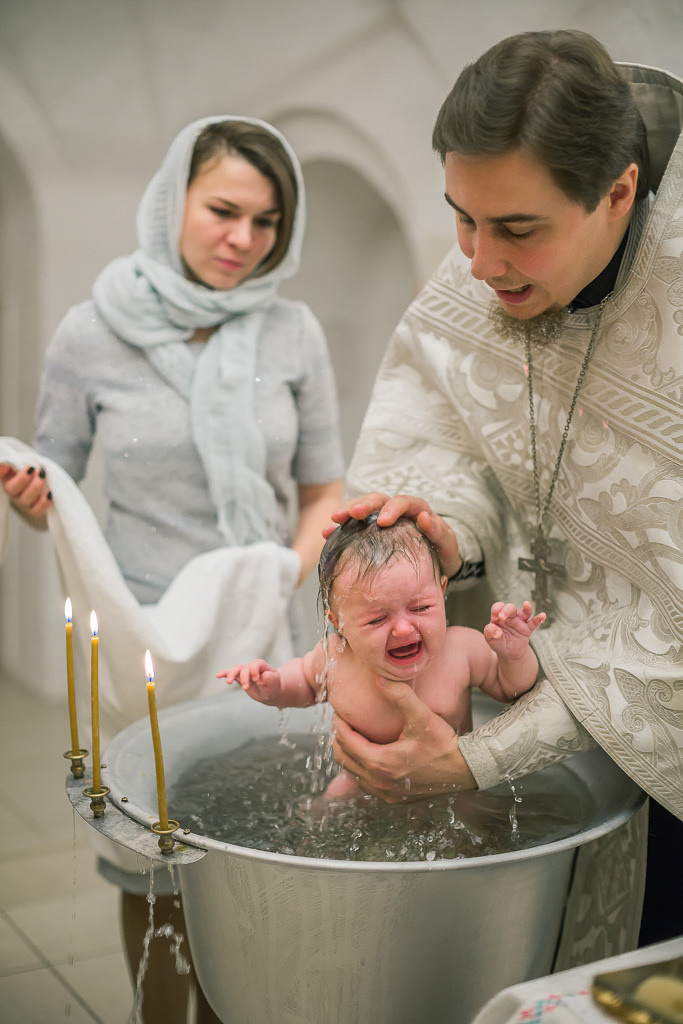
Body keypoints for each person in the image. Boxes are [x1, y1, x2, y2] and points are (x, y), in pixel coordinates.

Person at [326, 31, 682, 946]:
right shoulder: (488, 258)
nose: (478, 262)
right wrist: (448, 533)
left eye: (516, 229)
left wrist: (483, 758)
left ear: (617, 192)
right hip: (505, 690)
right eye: (460, 217)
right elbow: (440, 421)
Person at [1, 116, 344, 1021]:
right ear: (172, 202)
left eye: (267, 223)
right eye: (223, 210)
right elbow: (54, 482)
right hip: (148, 642)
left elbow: (323, 488)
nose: (243, 240)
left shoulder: (293, 332)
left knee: (259, 847)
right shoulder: (89, 333)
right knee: (152, 869)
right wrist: (30, 501)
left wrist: (282, 569)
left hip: (267, 631)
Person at [220, 515, 545, 798]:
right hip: (361, 786)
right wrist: (272, 685)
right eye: (376, 619)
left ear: (443, 591)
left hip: (452, 787)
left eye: (421, 607)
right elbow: (304, 684)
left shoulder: (462, 649)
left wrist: (513, 656)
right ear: (338, 622)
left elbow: (512, 690)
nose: (403, 629)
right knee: (324, 812)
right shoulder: (335, 655)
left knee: (474, 822)